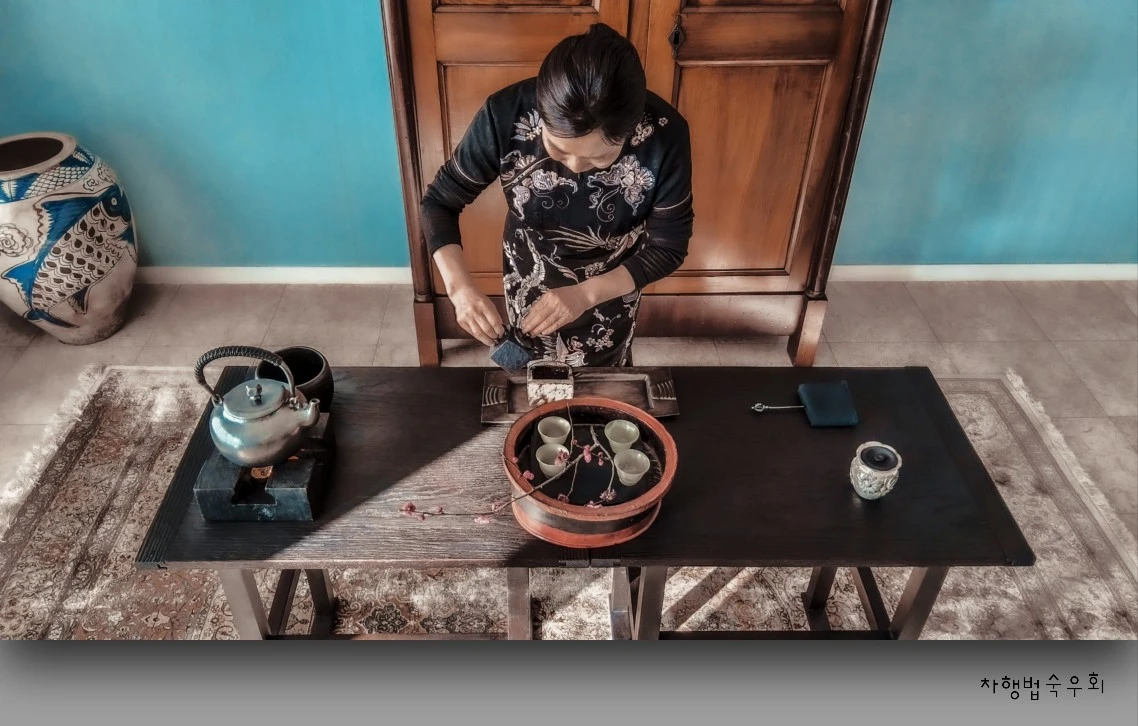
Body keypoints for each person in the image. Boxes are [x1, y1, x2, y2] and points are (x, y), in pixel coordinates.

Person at [420, 23, 693, 367]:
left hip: (612, 285)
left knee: (603, 377)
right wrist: (459, 288)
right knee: (530, 372)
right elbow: (439, 203)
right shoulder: (506, 114)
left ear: (632, 131)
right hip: (529, 270)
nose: (576, 168)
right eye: (558, 151)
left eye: (599, 159)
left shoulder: (664, 137)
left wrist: (586, 294)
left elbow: (668, 247)